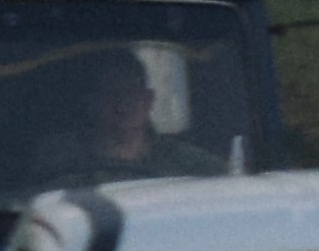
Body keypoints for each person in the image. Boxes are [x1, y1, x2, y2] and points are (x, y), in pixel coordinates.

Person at [31, 45, 224, 188]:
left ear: (148, 99)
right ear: (91, 102)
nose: (123, 102)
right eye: (111, 93)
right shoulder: (59, 159)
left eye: (132, 92)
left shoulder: (188, 162)